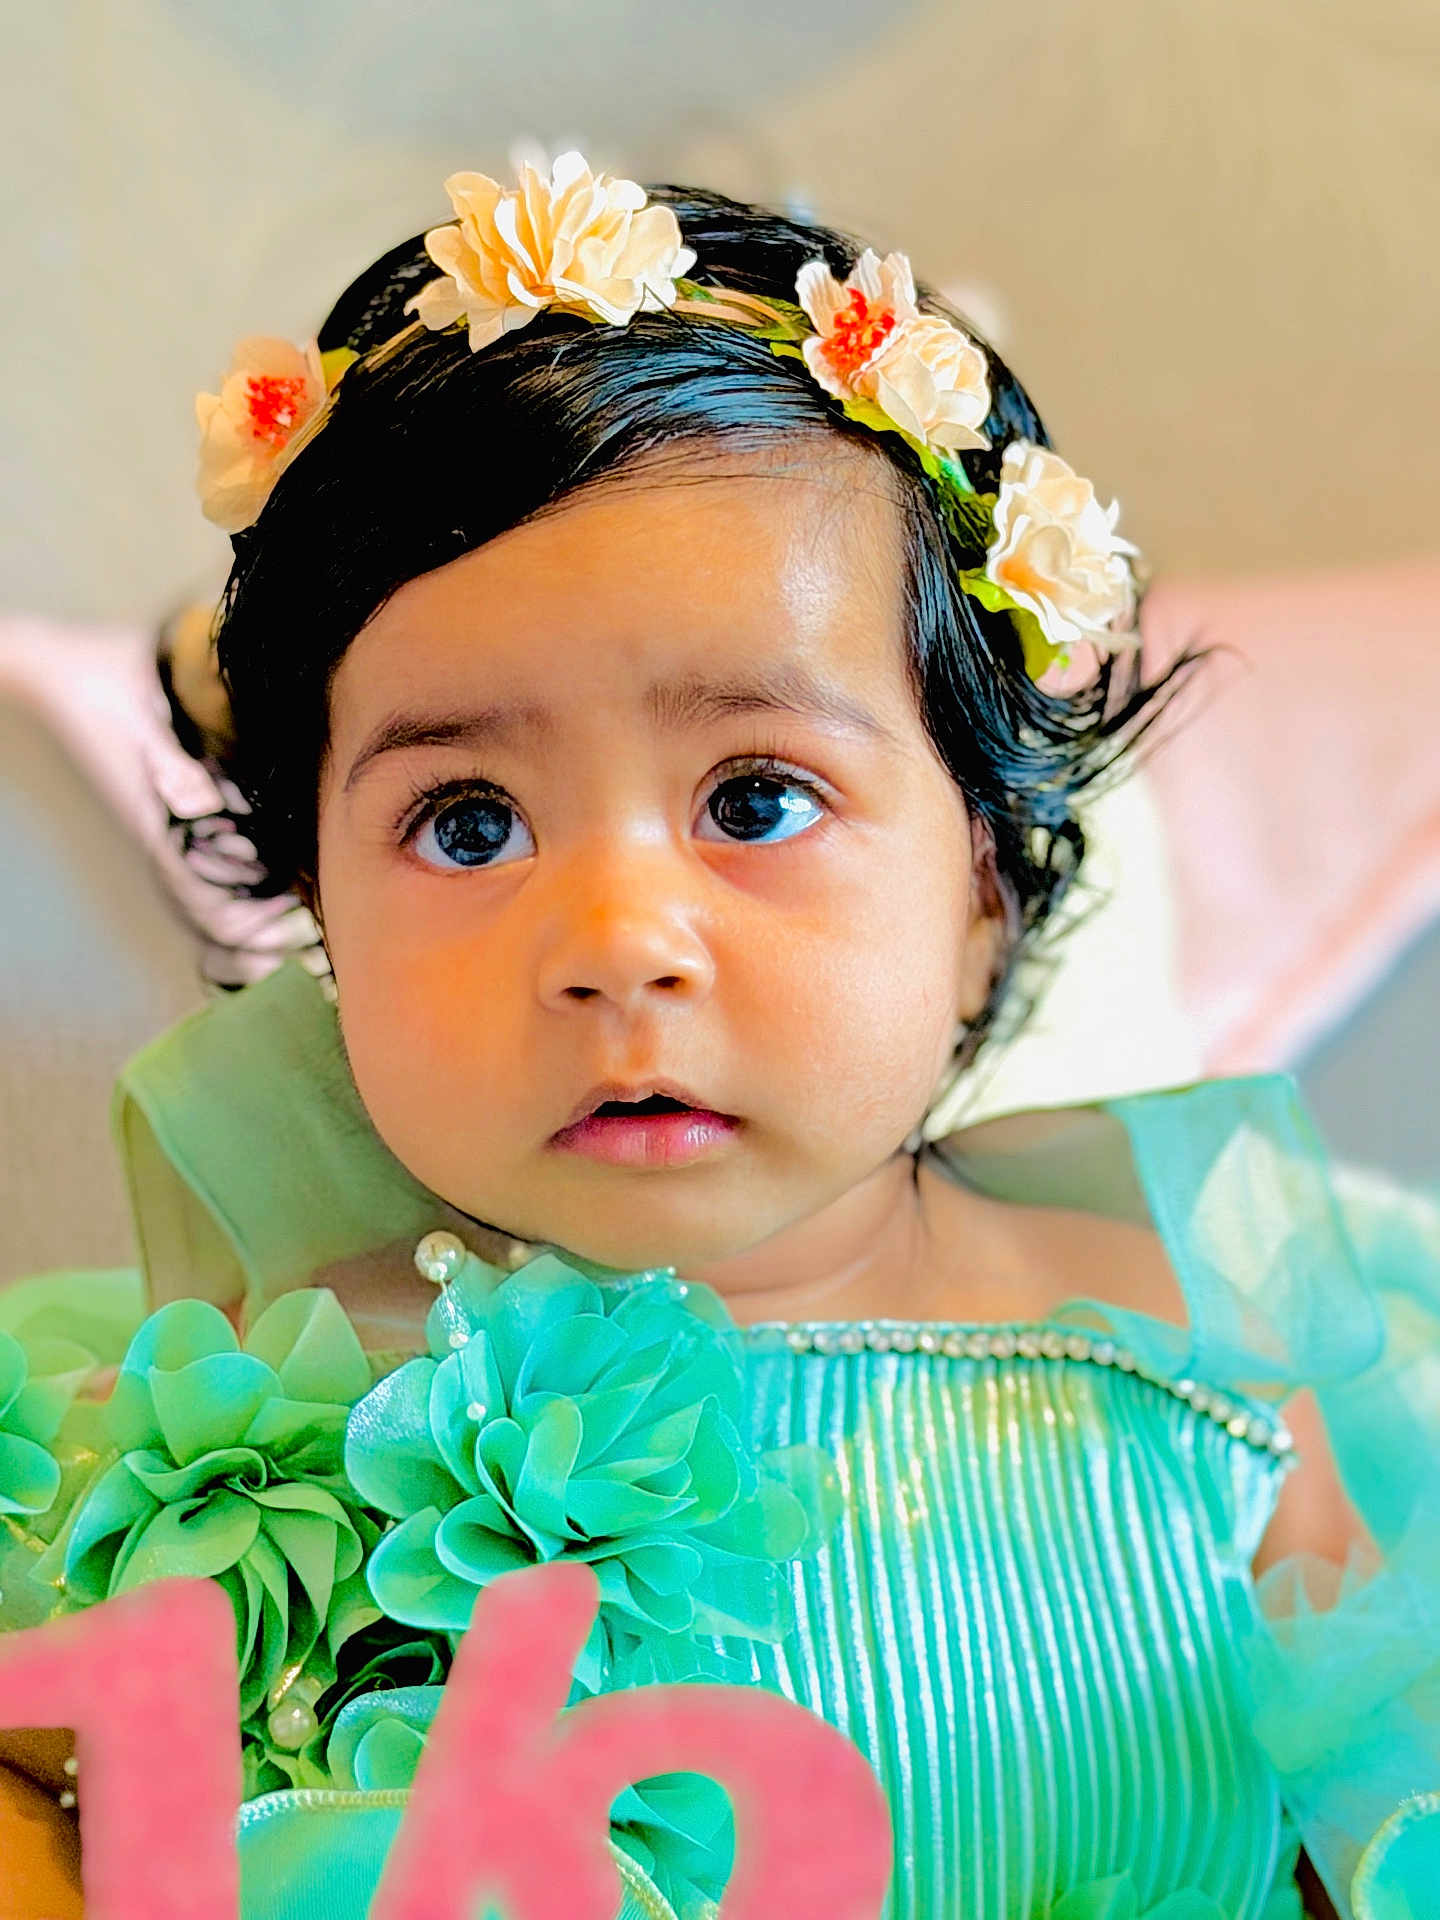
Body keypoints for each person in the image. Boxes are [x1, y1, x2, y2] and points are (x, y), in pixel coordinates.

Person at [1, 152, 1437, 1920]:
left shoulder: (1204, 1376)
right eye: (467, 823)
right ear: (320, 913)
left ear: (984, 885)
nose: (616, 946)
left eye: (755, 798)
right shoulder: (264, 1428)